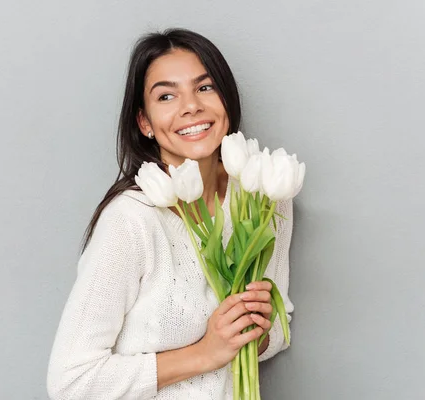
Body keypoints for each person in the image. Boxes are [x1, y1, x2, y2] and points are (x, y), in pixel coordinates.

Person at [47, 28, 294, 400]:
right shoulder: (131, 220)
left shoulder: (265, 193)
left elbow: (277, 326)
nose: (191, 106)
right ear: (144, 123)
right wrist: (205, 353)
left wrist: (257, 333)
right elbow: (71, 381)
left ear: (227, 100)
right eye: (166, 95)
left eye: (205, 88)